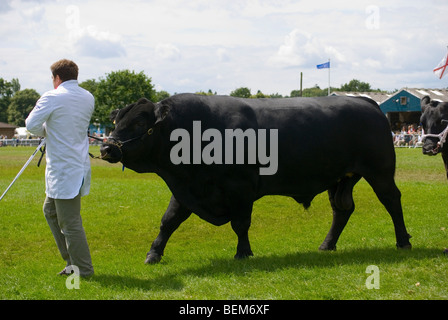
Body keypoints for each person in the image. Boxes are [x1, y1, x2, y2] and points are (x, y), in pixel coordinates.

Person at [25, 59, 94, 277]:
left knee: (71, 223)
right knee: (50, 211)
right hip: (76, 167)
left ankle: (83, 270)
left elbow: (31, 125)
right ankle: (71, 261)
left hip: (65, 170)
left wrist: (47, 129)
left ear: (57, 78)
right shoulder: (87, 97)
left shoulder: (52, 96)